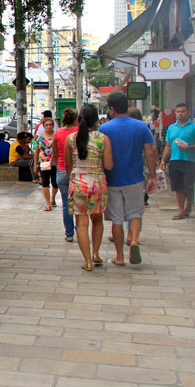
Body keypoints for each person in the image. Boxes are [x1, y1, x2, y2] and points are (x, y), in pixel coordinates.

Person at [99, 92, 157, 266]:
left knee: (116, 218)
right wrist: (153, 176)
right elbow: (149, 151)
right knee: (135, 212)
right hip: (135, 178)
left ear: (111, 109)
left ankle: (119, 256)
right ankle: (134, 241)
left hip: (112, 179)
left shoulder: (105, 129)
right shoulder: (141, 127)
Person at [65, 105, 113, 271]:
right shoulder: (103, 139)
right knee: (97, 219)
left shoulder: (70, 139)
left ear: (79, 119)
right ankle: (96, 253)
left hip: (78, 183)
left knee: (82, 223)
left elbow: (68, 166)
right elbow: (109, 165)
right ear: (97, 120)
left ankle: (87, 261)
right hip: (98, 183)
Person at [160, 103, 195, 220]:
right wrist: (163, 160)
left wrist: (189, 148)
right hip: (175, 160)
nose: (180, 114)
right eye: (178, 112)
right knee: (178, 187)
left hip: (189, 161)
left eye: (183, 111)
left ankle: (188, 205)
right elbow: (168, 145)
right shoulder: (171, 128)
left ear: (188, 113)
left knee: (188, 186)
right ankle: (181, 210)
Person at [54, 108, 79, 242]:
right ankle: (80, 228)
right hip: (77, 170)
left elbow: (55, 154)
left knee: (65, 203)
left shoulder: (58, 133)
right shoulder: (79, 132)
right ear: (76, 119)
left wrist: (59, 166)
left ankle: (69, 233)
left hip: (62, 170)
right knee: (79, 202)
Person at [35, 117, 58, 211]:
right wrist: (35, 165)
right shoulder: (40, 137)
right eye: (46, 125)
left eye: (50, 125)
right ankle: (48, 203)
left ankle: (53, 199)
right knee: (45, 183)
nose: (49, 127)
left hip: (55, 163)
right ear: (43, 126)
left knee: (55, 183)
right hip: (44, 163)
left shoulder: (57, 136)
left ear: (53, 126)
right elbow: (36, 152)